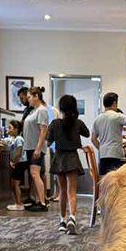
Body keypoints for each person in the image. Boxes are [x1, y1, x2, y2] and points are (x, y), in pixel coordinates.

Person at [47, 95, 90, 235]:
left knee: (62, 192)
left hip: (59, 158)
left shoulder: (54, 124)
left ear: (61, 108)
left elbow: (48, 141)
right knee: (72, 191)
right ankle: (72, 218)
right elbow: (87, 133)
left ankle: (62, 221)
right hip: (72, 158)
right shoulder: (77, 123)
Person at [91, 92, 126, 176]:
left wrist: (101, 149)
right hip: (116, 155)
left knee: (105, 179)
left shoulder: (97, 119)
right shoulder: (118, 116)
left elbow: (93, 139)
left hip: (103, 156)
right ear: (114, 103)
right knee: (116, 180)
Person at [22, 86, 50, 211]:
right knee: (34, 174)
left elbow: (43, 131)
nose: (28, 99)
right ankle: (38, 200)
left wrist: (38, 149)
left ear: (36, 96)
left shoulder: (42, 110)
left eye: (29, 97)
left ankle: (42, 203)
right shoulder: (33, 111)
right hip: (30, 147)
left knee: (35, 173)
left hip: (35, 147)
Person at [6, 119, 26, 210]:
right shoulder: (16, 139)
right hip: (19, 163)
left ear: (16, 129)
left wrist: (13, 162)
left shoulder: (19, 139)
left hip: (20, 163)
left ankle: (18, 204)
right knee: (14, 183)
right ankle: (18, 202)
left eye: (10, 128)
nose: (8, 130)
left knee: (15, 183)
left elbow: (18, 153)